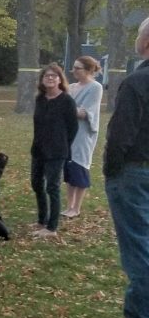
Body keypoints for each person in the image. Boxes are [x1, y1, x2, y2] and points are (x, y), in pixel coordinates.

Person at [103, 17, 149, 318]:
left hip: (134, 173)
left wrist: (111, 170)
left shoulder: (137, 83)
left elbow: (120, 136)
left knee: (139, 249)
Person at [30, 63, 78, 238]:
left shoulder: (66, 101)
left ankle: (51, 227)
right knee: (36, 184)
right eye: (47, 76)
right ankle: (42, 219)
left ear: (60, 79)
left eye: (54, 76)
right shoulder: (40, 99)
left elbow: (73, 128)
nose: (50, 78)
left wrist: (63, 145)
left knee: (52, 187)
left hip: (57, 152)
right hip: (38, 149)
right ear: (42, 80)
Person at [62, 56, 104, 218]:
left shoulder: (95, 87)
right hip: (68, 133)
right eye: (73, 67)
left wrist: (64, 108)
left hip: (83, 134)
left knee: (79, 167)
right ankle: (69, 206)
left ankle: (76, 208)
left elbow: (84, 112)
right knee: (69, 169)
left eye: (77, 68)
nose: (74, 71)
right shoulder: (71, 87)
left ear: (88, 70)